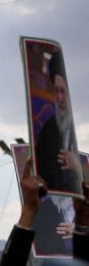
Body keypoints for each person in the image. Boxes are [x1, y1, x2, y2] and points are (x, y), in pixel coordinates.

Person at [35, 50, 81, 194]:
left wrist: (77, 167)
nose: (60, 98)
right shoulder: (47, 132)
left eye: (63, 91)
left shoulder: (79, 130)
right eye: (56, 91)